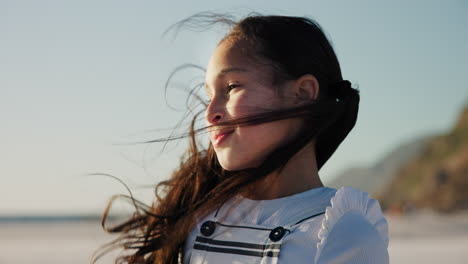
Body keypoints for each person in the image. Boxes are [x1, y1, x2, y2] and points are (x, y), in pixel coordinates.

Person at [94, 12, 389, 264]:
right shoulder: (200, 216)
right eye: (208, 95)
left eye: (232, 87)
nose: (210, 113)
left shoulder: (344, 231)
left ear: (302, 94)